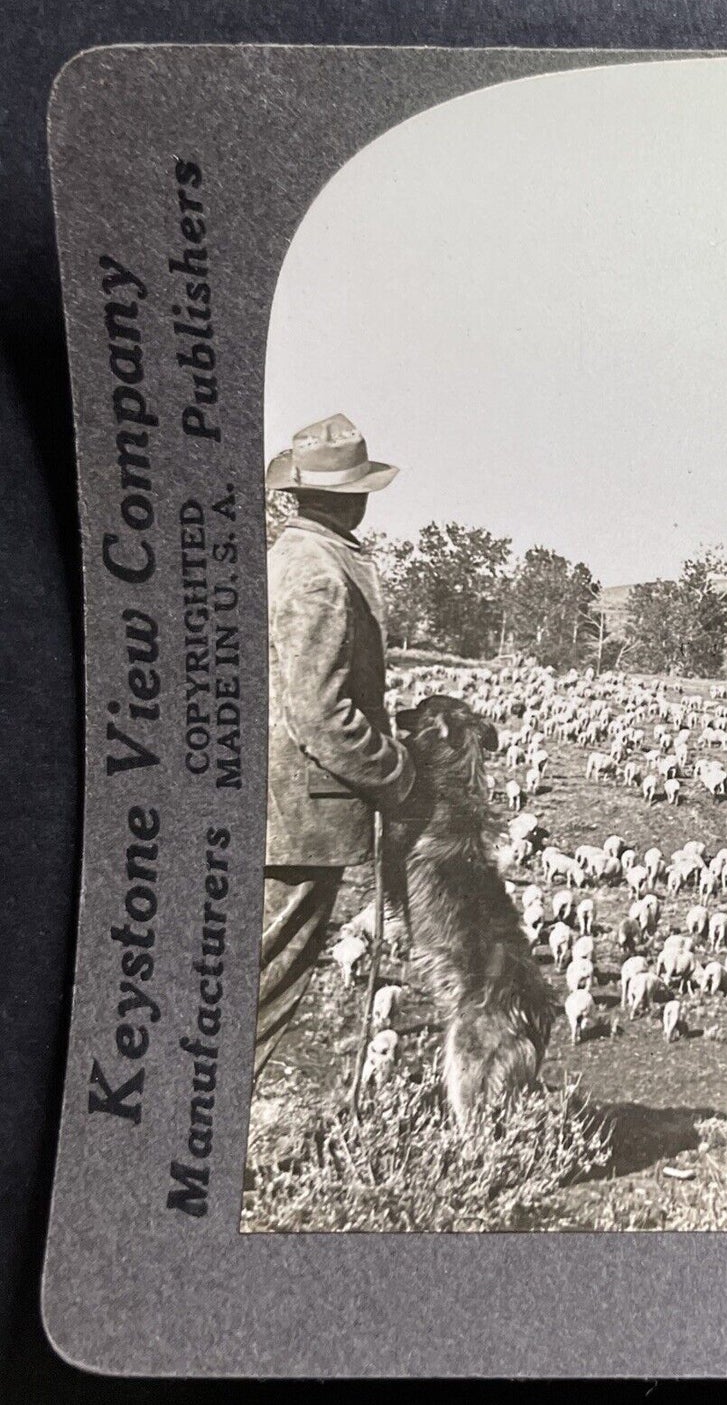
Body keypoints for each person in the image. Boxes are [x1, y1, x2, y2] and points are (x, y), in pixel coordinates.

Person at [256, 414, 414, 1081]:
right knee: (263, 984)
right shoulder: (318, 571)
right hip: (300, 816)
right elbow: (319, 712)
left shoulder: (293, 555)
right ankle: (211, 1147)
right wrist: (394, 772)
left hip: (279, 806)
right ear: (353, 495)